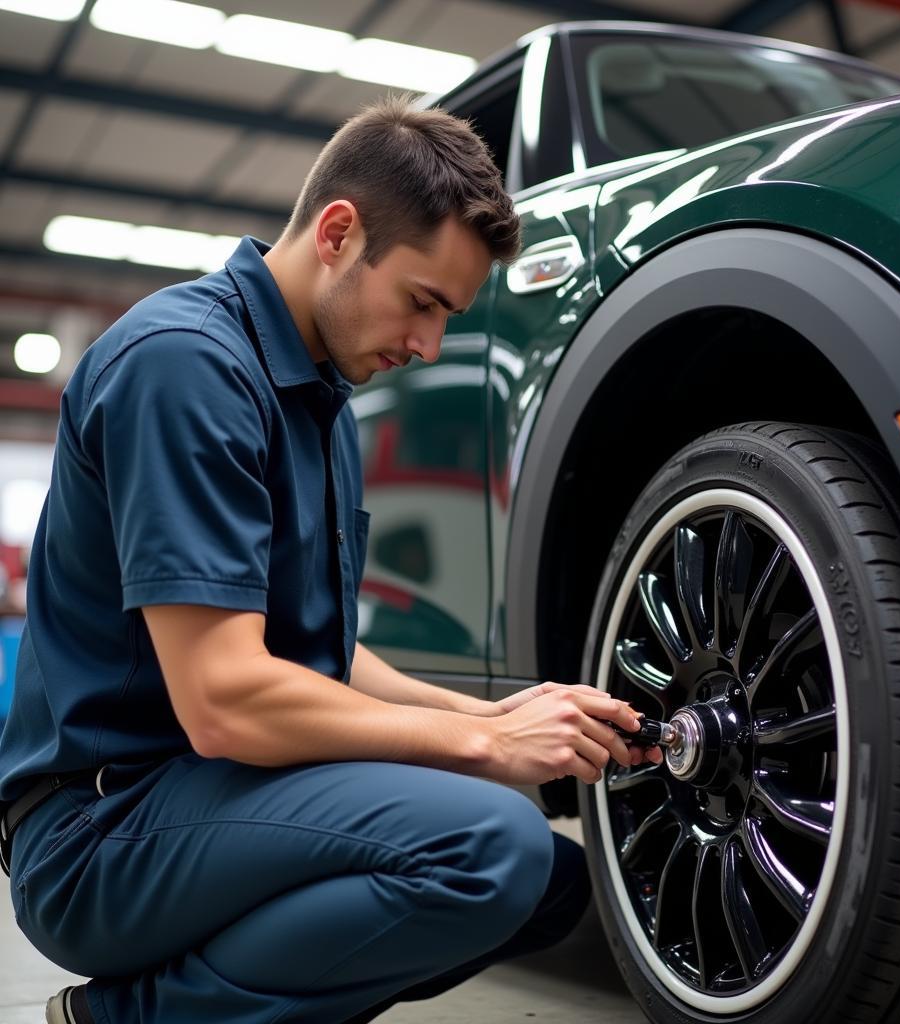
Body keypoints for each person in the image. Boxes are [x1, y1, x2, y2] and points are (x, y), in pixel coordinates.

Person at [0, 95, 662, 1024]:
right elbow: (227, 699)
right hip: (99, 832)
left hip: (201, 798)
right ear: (340, 233)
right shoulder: (184, 365)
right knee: (491, 847)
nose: (428, 346)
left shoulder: (317, 397)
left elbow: (324, 657)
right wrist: (485, 748)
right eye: (423, 302)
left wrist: (499, 717)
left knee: (552, 884)